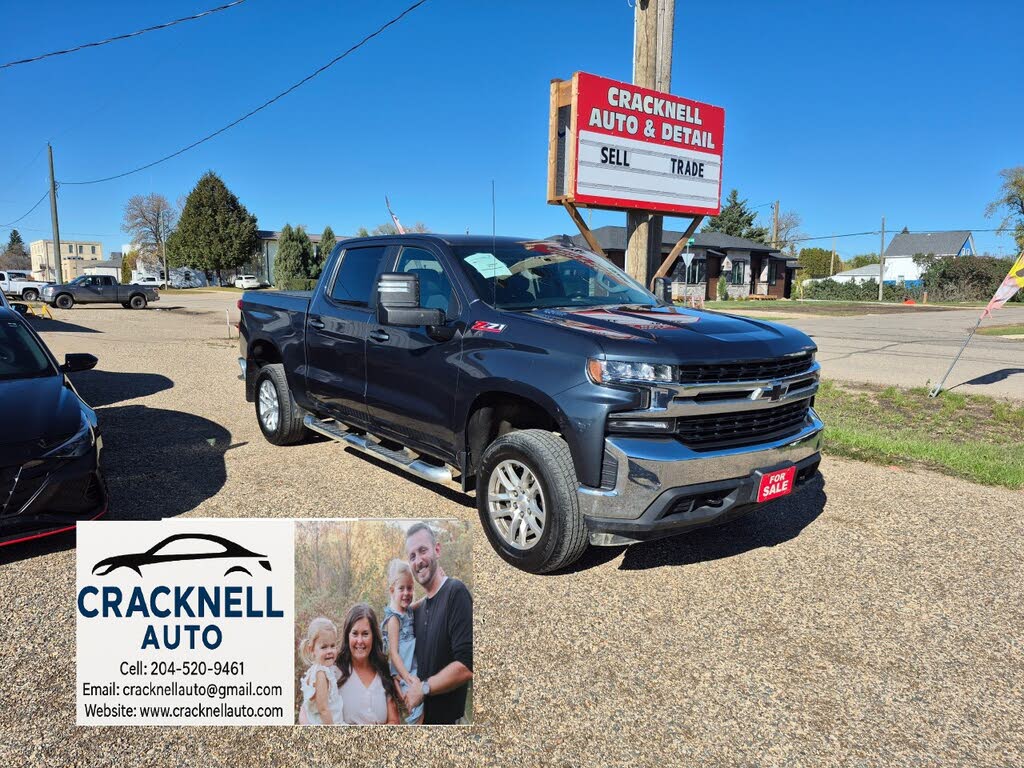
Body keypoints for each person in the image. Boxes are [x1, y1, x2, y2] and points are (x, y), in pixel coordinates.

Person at [402, 522, 473, 725]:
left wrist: (423, 688)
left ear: (437, 549)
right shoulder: (420, 610)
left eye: (423, 550)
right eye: (412, 556)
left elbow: (467, 665)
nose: (418, 561)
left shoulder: (455, 593)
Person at [336, 603, 400, 725]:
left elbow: (394, 721)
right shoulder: (334, 673)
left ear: (373, 636)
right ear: (347, 636)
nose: (359, 641)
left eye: (365, 634)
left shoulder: (383, 671)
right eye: (355, 634)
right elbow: (308, 711)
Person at [381, 559, 424, 724]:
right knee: (416, 706)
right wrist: (406, 677)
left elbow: (414, 606)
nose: (406, 593)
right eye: (401, 588)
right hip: (404, 668)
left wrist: (429, 596)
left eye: (410, 588)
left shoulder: (407, 610)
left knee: (419, 704)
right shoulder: (393, 619)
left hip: (411, 667)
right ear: (392, 590)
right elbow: (393, 653)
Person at [297, 617, 345, 725]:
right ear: (312, 649)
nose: (330, 651)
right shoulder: (321, 673)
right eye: (324, 647)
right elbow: (323, 709)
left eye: (332, 646)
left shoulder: (318, 670)